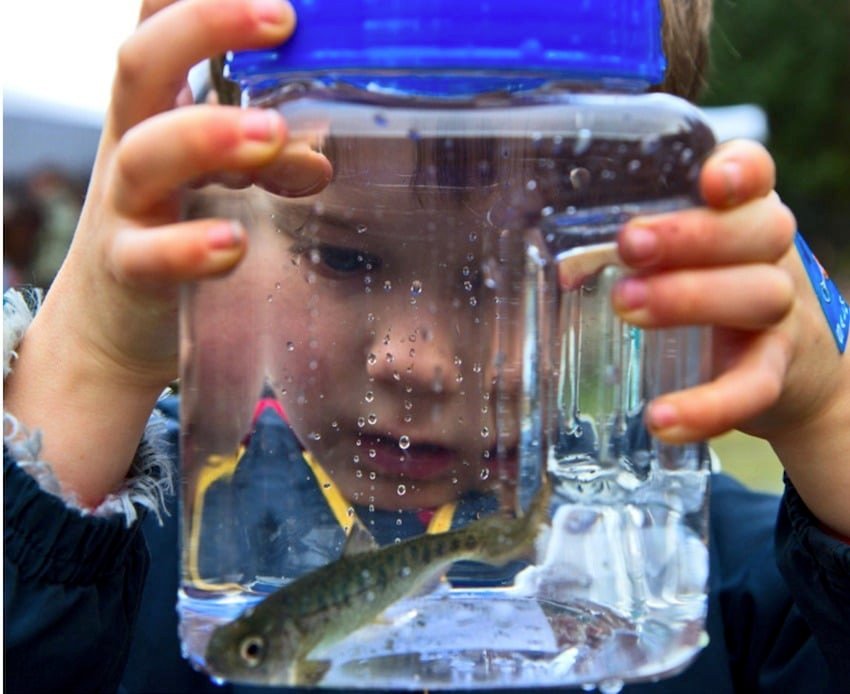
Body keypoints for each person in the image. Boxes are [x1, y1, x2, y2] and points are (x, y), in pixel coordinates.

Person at [3, 0, 849, 692]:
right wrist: (91, 367)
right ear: (222, 211)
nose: (418, 360)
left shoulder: (711, 580)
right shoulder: (117, 540)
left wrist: (833, 430)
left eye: (514, 275)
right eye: (343, 256)